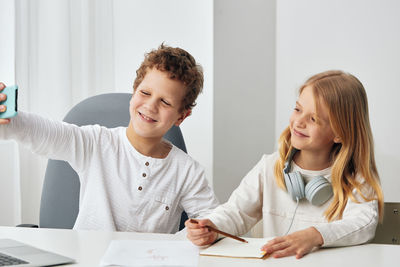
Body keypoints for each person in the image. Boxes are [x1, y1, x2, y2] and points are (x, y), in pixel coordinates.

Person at [0, 44, 219, 233]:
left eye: (165, 102)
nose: (150, 106)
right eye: (145, 93)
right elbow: (42, 133)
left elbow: (215, 223)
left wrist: (207, 232)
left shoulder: (188, 171)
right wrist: (6, 115)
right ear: (134, 91)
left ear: (182, 115)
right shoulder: (95, 143)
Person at [185, 70, 384, 259]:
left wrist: (315, 235)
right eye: (298, 109)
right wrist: (213, 227)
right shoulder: (270, 167)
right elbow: (236, 212)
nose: (298, 122)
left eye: (313, 119)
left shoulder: (356, 178)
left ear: (340, 133)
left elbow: (363, 223)